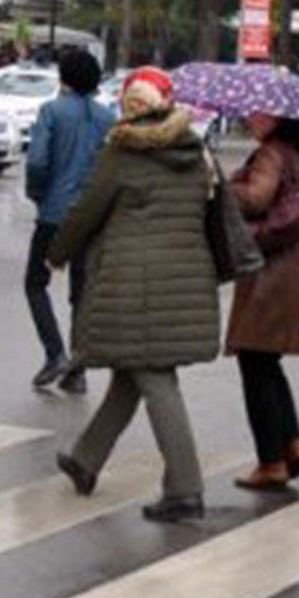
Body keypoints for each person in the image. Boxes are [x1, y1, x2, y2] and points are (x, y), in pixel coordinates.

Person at [49, 68, 219, 523]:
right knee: (133, 369)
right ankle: (86, 460)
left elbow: (88, 210)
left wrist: (57, 253)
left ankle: (185, 489)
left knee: (155, 377)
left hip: (135, 282)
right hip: (185, 278)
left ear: (128, 109)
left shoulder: (123, 152)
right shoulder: (196, 150)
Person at [226, 115, 299, 491]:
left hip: (275, 274)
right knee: (266, 362)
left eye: (259, 113)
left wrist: (226, 186)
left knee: (255, 363)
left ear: (278, 119)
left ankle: (271, 462)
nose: (250, 118)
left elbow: (256, 199)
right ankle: (294, 444)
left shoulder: (272, 154)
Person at [24, 50, 116, 394]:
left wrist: (37, 194)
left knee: (36, 282)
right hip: (91, 215)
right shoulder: (108, 118)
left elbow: (36, 162)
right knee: (82, 291)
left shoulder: (51, 111)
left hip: (54, 212)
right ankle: (77, 368)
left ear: (63, 77)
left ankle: (54, 353)